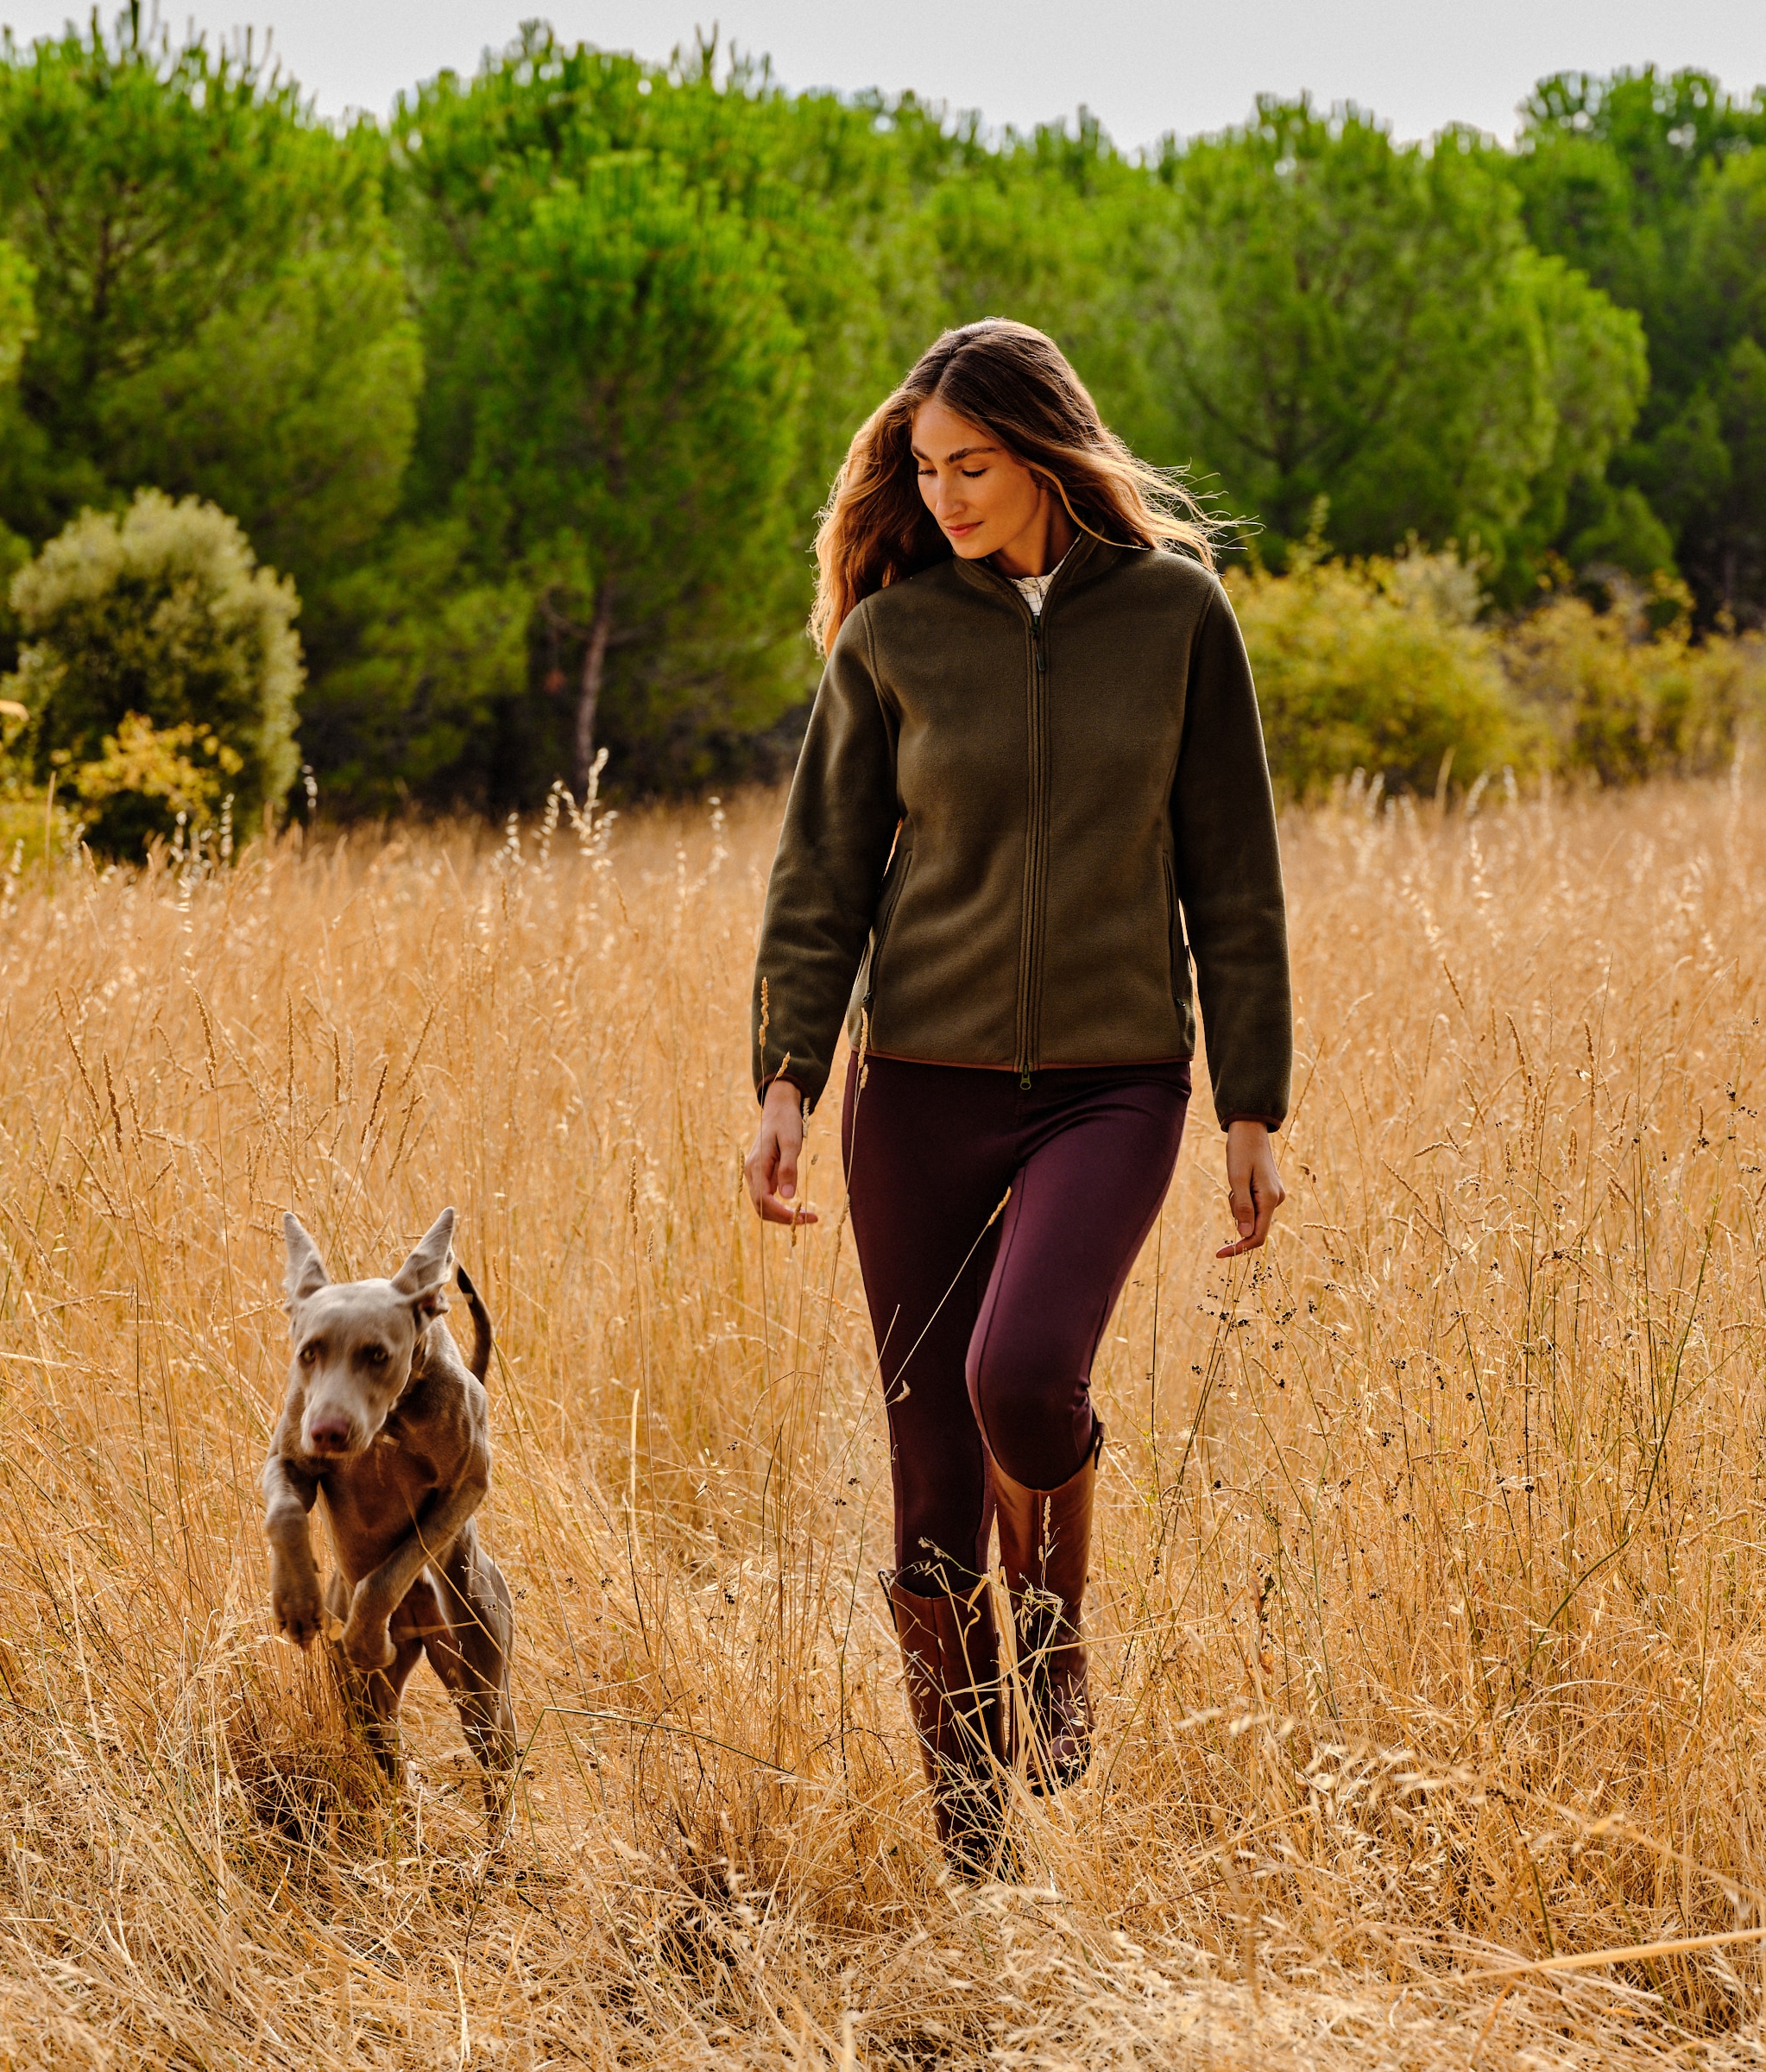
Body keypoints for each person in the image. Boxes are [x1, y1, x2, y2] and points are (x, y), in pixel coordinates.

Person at [744, 319, 1291, 1876]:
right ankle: (976, 1856)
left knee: (1026, 1374)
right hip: (916, 1089)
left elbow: (1234, 872)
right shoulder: (894, 638)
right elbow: (820, 879)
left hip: (1114, 1084)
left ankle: (1054, 1647)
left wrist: (1252, 1103)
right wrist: (786, 1079)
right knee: (928, 1487)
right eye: (926, 470)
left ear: (1047, 453)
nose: (947, 495)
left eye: (973, 465)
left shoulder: (1177, 617)